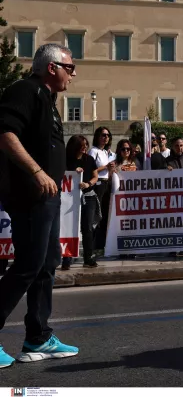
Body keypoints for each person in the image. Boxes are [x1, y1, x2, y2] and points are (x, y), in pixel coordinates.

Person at [0, 43, 80, 367]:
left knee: (47, 262)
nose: (73, 75)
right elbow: (5, 133)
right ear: (52, 67)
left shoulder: (48, 99)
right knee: (28, 265)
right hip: (29, 195)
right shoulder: (25, 90)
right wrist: (35, 171)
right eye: (70, 68)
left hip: (48, 197)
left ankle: (38, 336)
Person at [63, 135, 99, 270]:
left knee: (87, 228)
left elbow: (95, 176)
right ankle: (67, 258)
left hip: (88, 196)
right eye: (81, 145)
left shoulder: (89, 159)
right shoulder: (65, 160)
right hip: (70, 198)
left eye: (86, 145)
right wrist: (73, 172)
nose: (85, 148)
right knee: (68, 227)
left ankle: (88, 258)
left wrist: (88, 183)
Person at [89, 126, 116, 255]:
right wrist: (105, 167)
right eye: (103, 135)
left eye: (108, 135)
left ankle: (100, 245)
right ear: (97, 137)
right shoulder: (93, 151)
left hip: (106, 184)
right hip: (97, 184)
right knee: (96, 215)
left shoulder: (105, 152)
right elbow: (91, 170)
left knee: (104, 215)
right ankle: (92, 245)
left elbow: (107, 171)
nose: (106, 138)